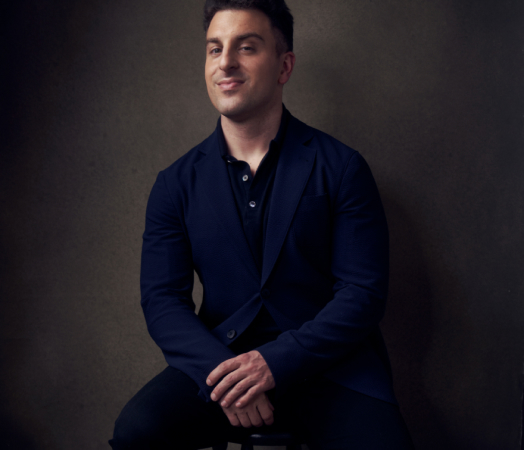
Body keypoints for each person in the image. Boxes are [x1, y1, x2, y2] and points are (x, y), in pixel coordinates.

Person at [110, 0, 414, 448]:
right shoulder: (174, 184)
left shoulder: (342, 167)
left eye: (246, 47)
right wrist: (225, 377)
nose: (226, 63)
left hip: (329, 365)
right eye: (215, 49)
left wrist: (273, 363)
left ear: (284, 65)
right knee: (135, 432)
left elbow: (362, 294)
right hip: (221, 362)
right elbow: (162, 301)